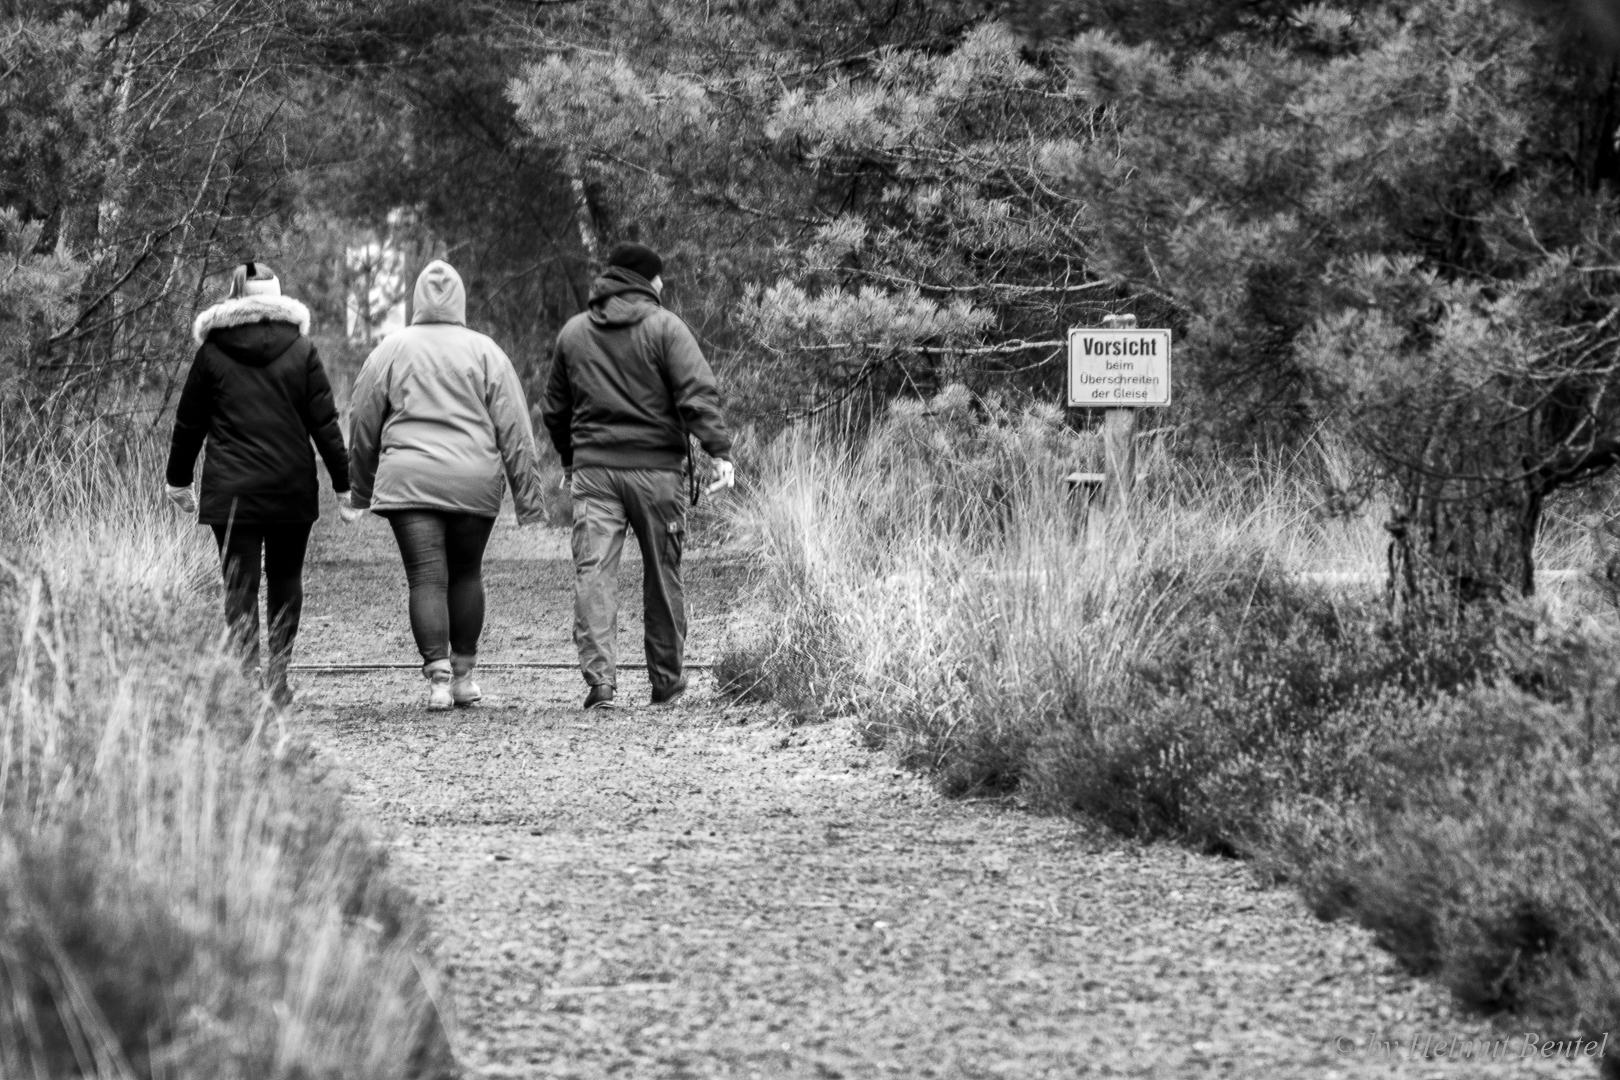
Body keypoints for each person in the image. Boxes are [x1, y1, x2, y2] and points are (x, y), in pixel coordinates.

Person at [542, 242, 736, 710]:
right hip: (657, 474)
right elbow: (697, 392)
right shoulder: (666, 328)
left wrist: (571, 460)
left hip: (595, 475)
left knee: (595, 574)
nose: (664, 284)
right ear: (645, 280)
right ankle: (666, 684)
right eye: (659, 277)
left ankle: (601, 685)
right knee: (662, 574)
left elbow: (554, 409)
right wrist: (719, 451)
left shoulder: (574, 333)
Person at [346, 259, 545, 709]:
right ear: (460, 300)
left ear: (417, 299)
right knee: (466, 572)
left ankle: (437, 680)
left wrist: (360, 488)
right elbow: (515, 427)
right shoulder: (486, 352)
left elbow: (361, 420)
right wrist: (528, 500)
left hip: (409, 481)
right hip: (473, 482)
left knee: (426, 576)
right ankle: (464, 677)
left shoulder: (390, 350)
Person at [165, 260, 350, 709]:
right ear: (280, 297)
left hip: (232, 490)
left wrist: (178, 480)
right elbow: (324, 422)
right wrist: (346, 485)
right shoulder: (302, 350)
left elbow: (189, 423)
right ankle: (279, 678)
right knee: (285, 577)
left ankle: (246, 680)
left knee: (240, 585)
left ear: (234, 298)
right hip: (290, 485)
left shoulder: (211, 352)